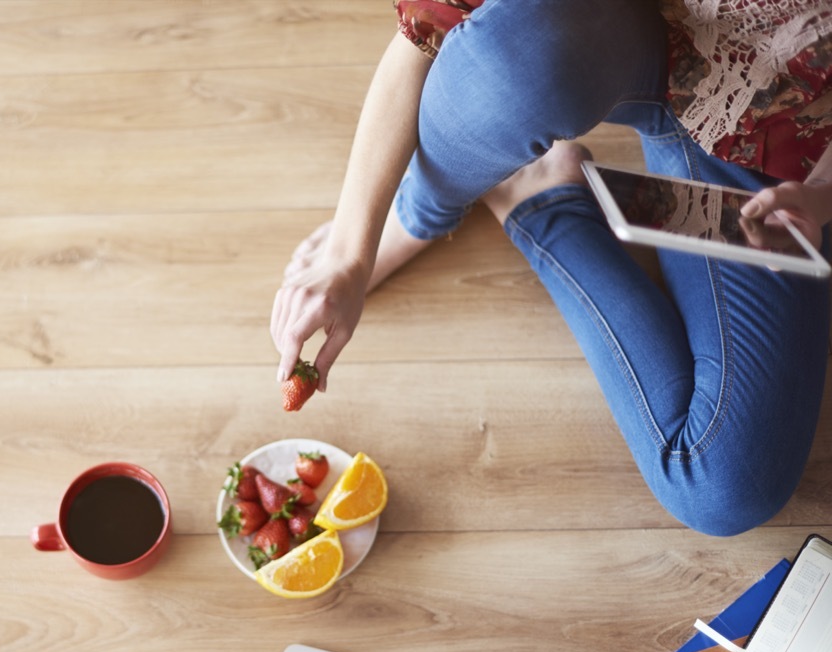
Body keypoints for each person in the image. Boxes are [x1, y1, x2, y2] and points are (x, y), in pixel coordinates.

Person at [270, 0, 832, 536]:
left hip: (781, 149)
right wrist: (350, 252)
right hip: (634, 34)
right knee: (509, 61)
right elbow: (424, 30)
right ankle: (421, 211)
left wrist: (823, 198)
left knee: (720, 486)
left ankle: (538, 198)